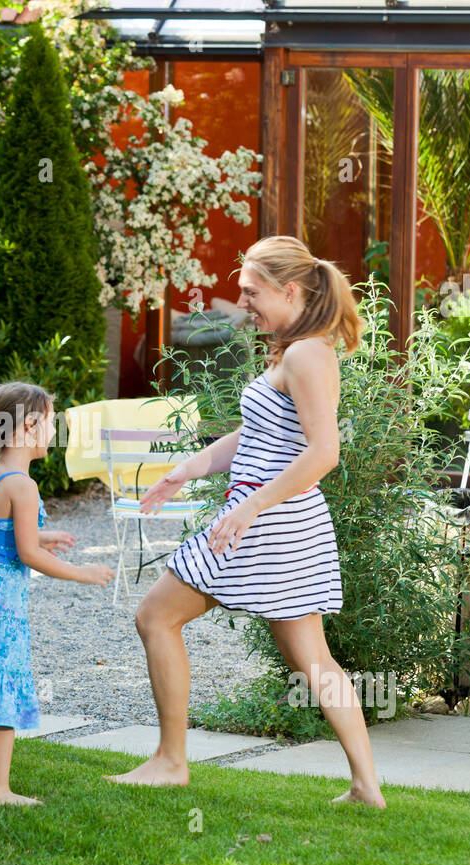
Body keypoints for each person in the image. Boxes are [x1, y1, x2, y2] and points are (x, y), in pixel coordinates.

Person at [107, 235, 385, 808]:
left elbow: (324, 451)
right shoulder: (293, 350)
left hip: (263, 521)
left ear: (289, 290)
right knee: (312, 659)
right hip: (275, 521)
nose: (243, 303)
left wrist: (251, 505)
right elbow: (258, 435)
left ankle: (170, 761)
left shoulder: (308, 354)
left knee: (156, 616)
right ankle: (366, 785)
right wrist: (185, 470)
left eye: (251, 292)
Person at [0, 383, 113, 804]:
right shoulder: (23, 486)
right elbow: (26, 554)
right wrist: (80, 572)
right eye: (50, 422)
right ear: (29, 426)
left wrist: (41, 535)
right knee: (1, 678)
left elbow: (0, 533)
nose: (54, 431)